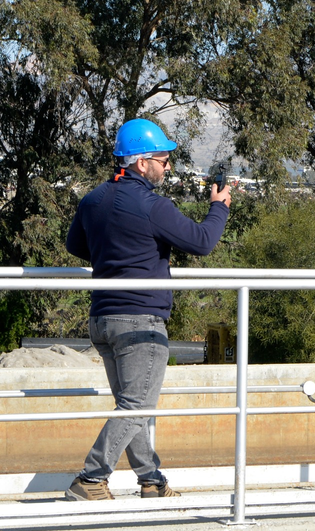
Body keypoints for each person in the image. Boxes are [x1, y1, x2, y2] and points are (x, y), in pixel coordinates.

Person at [63, 118, 232, 500]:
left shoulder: (93, 200)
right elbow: (202, 242)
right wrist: (218, 207)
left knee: (131, 406)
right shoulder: (152, 205)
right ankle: (91, 478)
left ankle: (151, 481)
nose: (167, 167)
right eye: (163, 160)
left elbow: (75, 245)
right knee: (136, 405)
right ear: (142, 163)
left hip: (102, 319)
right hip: (140, 322)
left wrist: (115, 256)